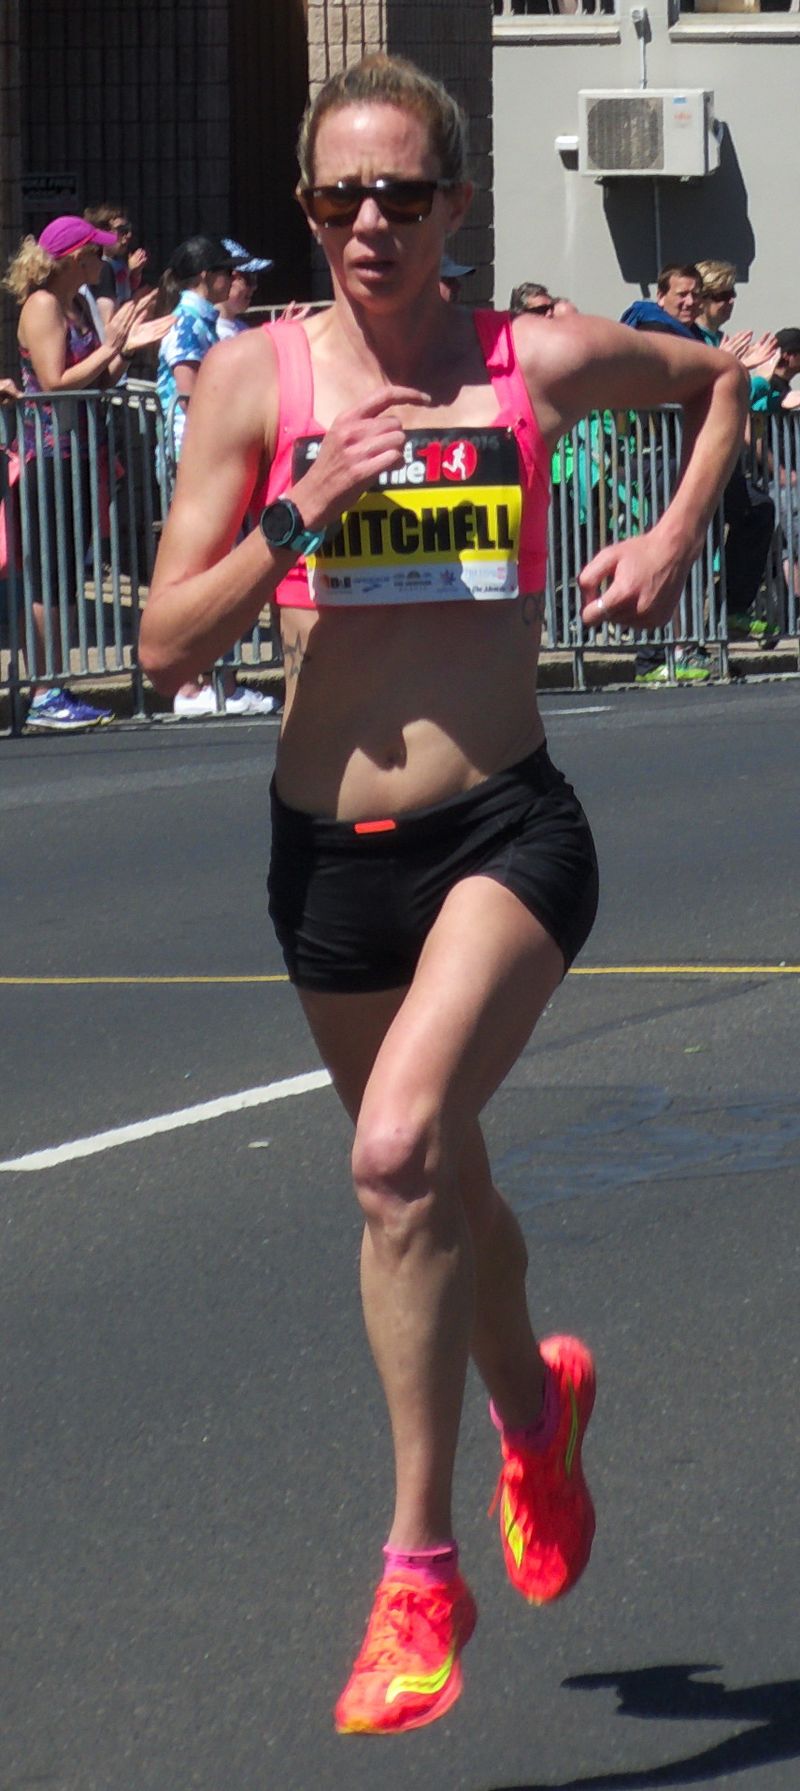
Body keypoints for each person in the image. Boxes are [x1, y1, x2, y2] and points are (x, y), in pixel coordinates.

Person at [139, 52, 746, 1737]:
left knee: (397, 1152)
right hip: (327, 868)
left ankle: (417, 1571)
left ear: (459, 207)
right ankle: (533, 1409)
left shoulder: (526, 361)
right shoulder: (257, 389)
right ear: (308, 211)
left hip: (504, 833)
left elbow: (722, 383)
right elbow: (161, 644)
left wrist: (680, 537)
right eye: (341, 198)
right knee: (442, 1194)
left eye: (405, 194)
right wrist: (295, 514)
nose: (373, 226)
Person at [2, 214, 169, 731]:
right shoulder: (43, 305)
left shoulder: (76, 306)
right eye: (97, 253)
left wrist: (126, 347)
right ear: (76, 258)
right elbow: (55, 382)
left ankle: (57, 687)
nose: (105, 260)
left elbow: (100, 375)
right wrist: (111, 347)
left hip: (79, 455)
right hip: (49, 455)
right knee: (48, 577)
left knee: (67, 575)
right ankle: (45, 690)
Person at [156, 234, 276, 716]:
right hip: (195, 456)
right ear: (207, 278)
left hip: (212, 455)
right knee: (199, 567)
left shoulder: (203, 323)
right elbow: (191, 392)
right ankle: (193, 685)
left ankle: (219, 679)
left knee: (219, 564)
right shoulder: (186, 323)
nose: (234, 281)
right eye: (227, 272)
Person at [84, 204, 150, 332]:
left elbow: (125, 290)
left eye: (129, 229)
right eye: (122, 230)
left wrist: (134, 273)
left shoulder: (119, 262)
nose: (128, 235)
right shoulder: (100, 267)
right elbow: (110, 317)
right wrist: (137, 303)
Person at [215, 237, 274, 340]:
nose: (254, 287)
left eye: (254, 278)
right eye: (248, 278)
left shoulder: (242, 328)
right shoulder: (210, 334)